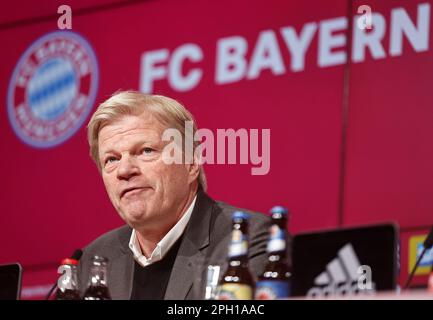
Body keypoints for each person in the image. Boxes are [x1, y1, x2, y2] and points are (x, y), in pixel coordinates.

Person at [79, 90, 279, 299]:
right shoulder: (94, 259)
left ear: (191, 163)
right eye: (111, 159)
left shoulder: (248, 240)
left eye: (146, 151)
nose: (124, 170)